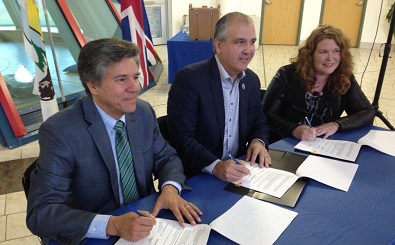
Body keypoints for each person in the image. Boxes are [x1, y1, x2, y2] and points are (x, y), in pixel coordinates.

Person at [26, 38, 202, 245]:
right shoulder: (60, 132)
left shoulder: (143, 112)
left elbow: (166, 157)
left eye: (135, 77)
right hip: (95, 233)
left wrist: (170, 188)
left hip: (147, 225)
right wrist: (113, 224)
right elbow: (41, 212)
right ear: (93, 85)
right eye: (121, 80)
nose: (135, 88)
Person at [167, 12, 270, 183]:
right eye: (239, 42)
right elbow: (181, 138)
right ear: (218, 45)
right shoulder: (189, 80)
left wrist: (258, 141)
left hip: (239, 172)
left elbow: (259, 122)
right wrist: (215, 166)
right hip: (199, 176)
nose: (248, 50)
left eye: (252, 42)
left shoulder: (251, 80)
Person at [262, 25, 375, 143]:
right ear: (310, 54)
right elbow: (265, 115)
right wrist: (293, 129)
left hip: (321, 145)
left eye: (336, 51)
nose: (330, 58)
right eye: (323, 52)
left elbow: (368, 112)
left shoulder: (344, 77)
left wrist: (337, 124)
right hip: (284, 142)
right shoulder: (287, 74)